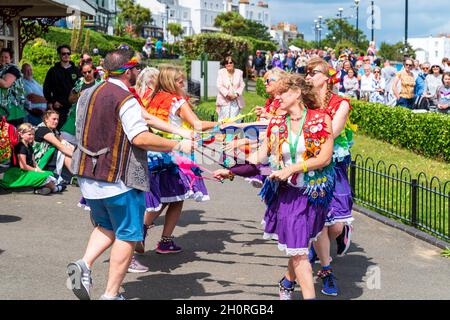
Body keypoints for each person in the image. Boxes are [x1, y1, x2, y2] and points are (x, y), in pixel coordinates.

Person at [66, 49, 193, 301]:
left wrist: (178, 133)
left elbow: (142, 118)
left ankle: (84, 264)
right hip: (118, 178)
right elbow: (139, 136)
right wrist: (176, 144)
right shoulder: (126, 99)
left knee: (105, 226)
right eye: (135, 68)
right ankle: (111, 295)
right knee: (127, 234)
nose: (137, 72)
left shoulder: (86, 94)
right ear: (127, 71)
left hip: (88, 178)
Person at [214, 73, 334, 300]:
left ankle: (288, 281)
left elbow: (324, 159)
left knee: (298, 245)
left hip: (314, 194)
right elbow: (260, 158)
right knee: (299, 252)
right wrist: (231, 169)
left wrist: (292, 168)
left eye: (281, 93)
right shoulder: (277, 124)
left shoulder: (320, 119)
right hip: (288, 196)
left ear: (297, 92)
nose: (276, 97)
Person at [142, 64, 218, 256]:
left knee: (166, 197)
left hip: (153, 152)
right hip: (175, 155)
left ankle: (151, 234)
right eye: (179, 80)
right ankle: (150, 235)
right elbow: (197, 124)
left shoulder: (151, 98)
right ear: (170, 81)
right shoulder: (177, 101)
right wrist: (223, 124)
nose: (182, 83)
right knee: (174, 197)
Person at [304, 57, 356, 297]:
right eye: (306, 72)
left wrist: (303, 129)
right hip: (310, 167)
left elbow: (332, 133)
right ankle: (326, 270)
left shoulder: (340, 103)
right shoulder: (304, 102)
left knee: (334, 225)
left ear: (327, 77)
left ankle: (340, 233)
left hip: (332, 166)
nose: (308, 76)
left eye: (313, 72)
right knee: (320, 222)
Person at [0, 123, 64, 194]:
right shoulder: (21, 147)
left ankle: (40, 189)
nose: (32, 136)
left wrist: (40, 171)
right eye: (29, 134)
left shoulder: (29, 145)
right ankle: (55, 188)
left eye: (33, 134)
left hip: (27, 172)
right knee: (46, 177)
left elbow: (34, 163)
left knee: (49, 173)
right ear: (21, 135)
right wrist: (36, 171)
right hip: (18, 173)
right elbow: (23, 166)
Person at [43, 45, 81, 130]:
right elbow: (46, 89)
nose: (66, 55)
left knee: (73, 130)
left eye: (68, 53)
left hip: (73, 107)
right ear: (59, 55)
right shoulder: (53, 71)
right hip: (59, 107)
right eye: (63, 53)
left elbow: (82, 87)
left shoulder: (76, 70)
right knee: (59, 130)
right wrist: (52, 101)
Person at [33, 110, 74, 183]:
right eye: (54, 119)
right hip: (39, 161)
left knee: (67, 147)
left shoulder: (54, 130)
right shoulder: (43, 130)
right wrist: (76, 156)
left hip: (48, 157)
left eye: (57, 119)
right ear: (46, 119)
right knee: (63, 152)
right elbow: (61, 147)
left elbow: (63, 142)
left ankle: (75, 175)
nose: (56, 121)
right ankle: (77, 175)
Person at [0, 48, 26, 127]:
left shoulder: (13, 69)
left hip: (13, 109)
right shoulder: (1, 69)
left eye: (6, 57)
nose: (3, 59)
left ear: (11, 59)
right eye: (1, 57)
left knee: (12, 135)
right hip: (2, 108)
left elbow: (6, 84)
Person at [216, 56, 245, 123]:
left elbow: (242, 85)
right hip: (224, 100)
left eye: (230, 62)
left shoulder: (239, 72)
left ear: (233, 63)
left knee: (234, 120)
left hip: (236, 100)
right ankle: (223, 133)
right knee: (223, 121)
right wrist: (228, 94)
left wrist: (236, 94)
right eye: (226, 63)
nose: (228, 64)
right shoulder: (221, 72)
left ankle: (232, 133)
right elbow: (219, 85)